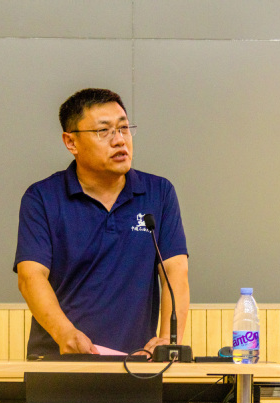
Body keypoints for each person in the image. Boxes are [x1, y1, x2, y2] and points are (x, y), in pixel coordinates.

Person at [14, 88, 189, 357]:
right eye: (103, 131)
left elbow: (175, 272)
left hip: (137, 362)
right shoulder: (42, 197)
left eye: (124, 128)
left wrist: (167, 342)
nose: (119, 140)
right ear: (71, 142)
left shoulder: (159, 193)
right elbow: (30, 277)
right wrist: (65, 334)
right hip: (59, 359)